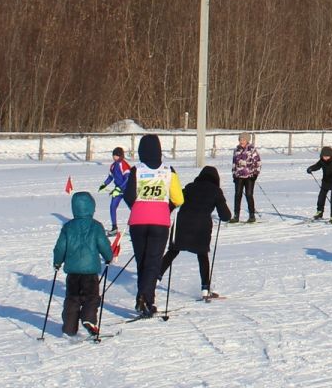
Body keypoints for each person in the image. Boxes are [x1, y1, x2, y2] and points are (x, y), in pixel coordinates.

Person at [124, 133, 182, 317]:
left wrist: (140, 207)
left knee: (142, 261)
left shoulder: (136, 170)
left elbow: (129, 196)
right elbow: (179, 198)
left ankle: (144, 300)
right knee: (153, 262)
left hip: (138, 221)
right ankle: (145, 298)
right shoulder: (168, 170)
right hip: (160, 220)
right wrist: (167, 208)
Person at [163, 165, 232, 300]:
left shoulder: (189, 187)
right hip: (201, 228)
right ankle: (205, 290)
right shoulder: (216, 191)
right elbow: (226, 216)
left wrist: (163, 214)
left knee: (172, 252)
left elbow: (175, 201)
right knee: (202, 256)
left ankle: (155, 279)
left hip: (181, 224)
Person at [52, 190, 114, 338]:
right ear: (92, 207)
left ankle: (69, 327)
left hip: (72, 273)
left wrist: (57, 262)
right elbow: (103, 244)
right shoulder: (96, 226)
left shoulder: (68, 227)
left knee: (72, 299)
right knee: (91, 298)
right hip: (90, 272)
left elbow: (60, 247)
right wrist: (108, 256)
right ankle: (88, 319)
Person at [306, 146, 332, 222]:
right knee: (321, 197)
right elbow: (317, 166)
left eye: (327, 156)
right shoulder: (322, 161)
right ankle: (319, 212)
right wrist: (311, 168)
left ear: (331, 155)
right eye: (324, 156)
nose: (325, 158)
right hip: (325, 182)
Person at [96, 146, 133, 233]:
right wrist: (104, 184)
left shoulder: (124, 165)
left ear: (120, 156)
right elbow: (110, 177)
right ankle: (114, 228)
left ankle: (137, 228)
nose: (114, 157)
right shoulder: (113, 166)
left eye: (115, 155)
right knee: (112, 207)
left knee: (133, 209)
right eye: (113, 155)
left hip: (127, 190)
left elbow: (127, 179)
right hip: (118, 190)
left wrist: (120, 188)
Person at [231, 133, 262, 223]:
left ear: (247, 140)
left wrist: (255, 174)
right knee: (237, 195)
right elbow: (234, 163)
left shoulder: (252, 149)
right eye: (240, 139)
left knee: (249, 195)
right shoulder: (236, 150)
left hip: (249, 176)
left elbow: (258, 162)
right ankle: (236, 216)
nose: (241, 141)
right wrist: (234, 174)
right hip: (239, 176)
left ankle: (252, 216)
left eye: (243, 140)